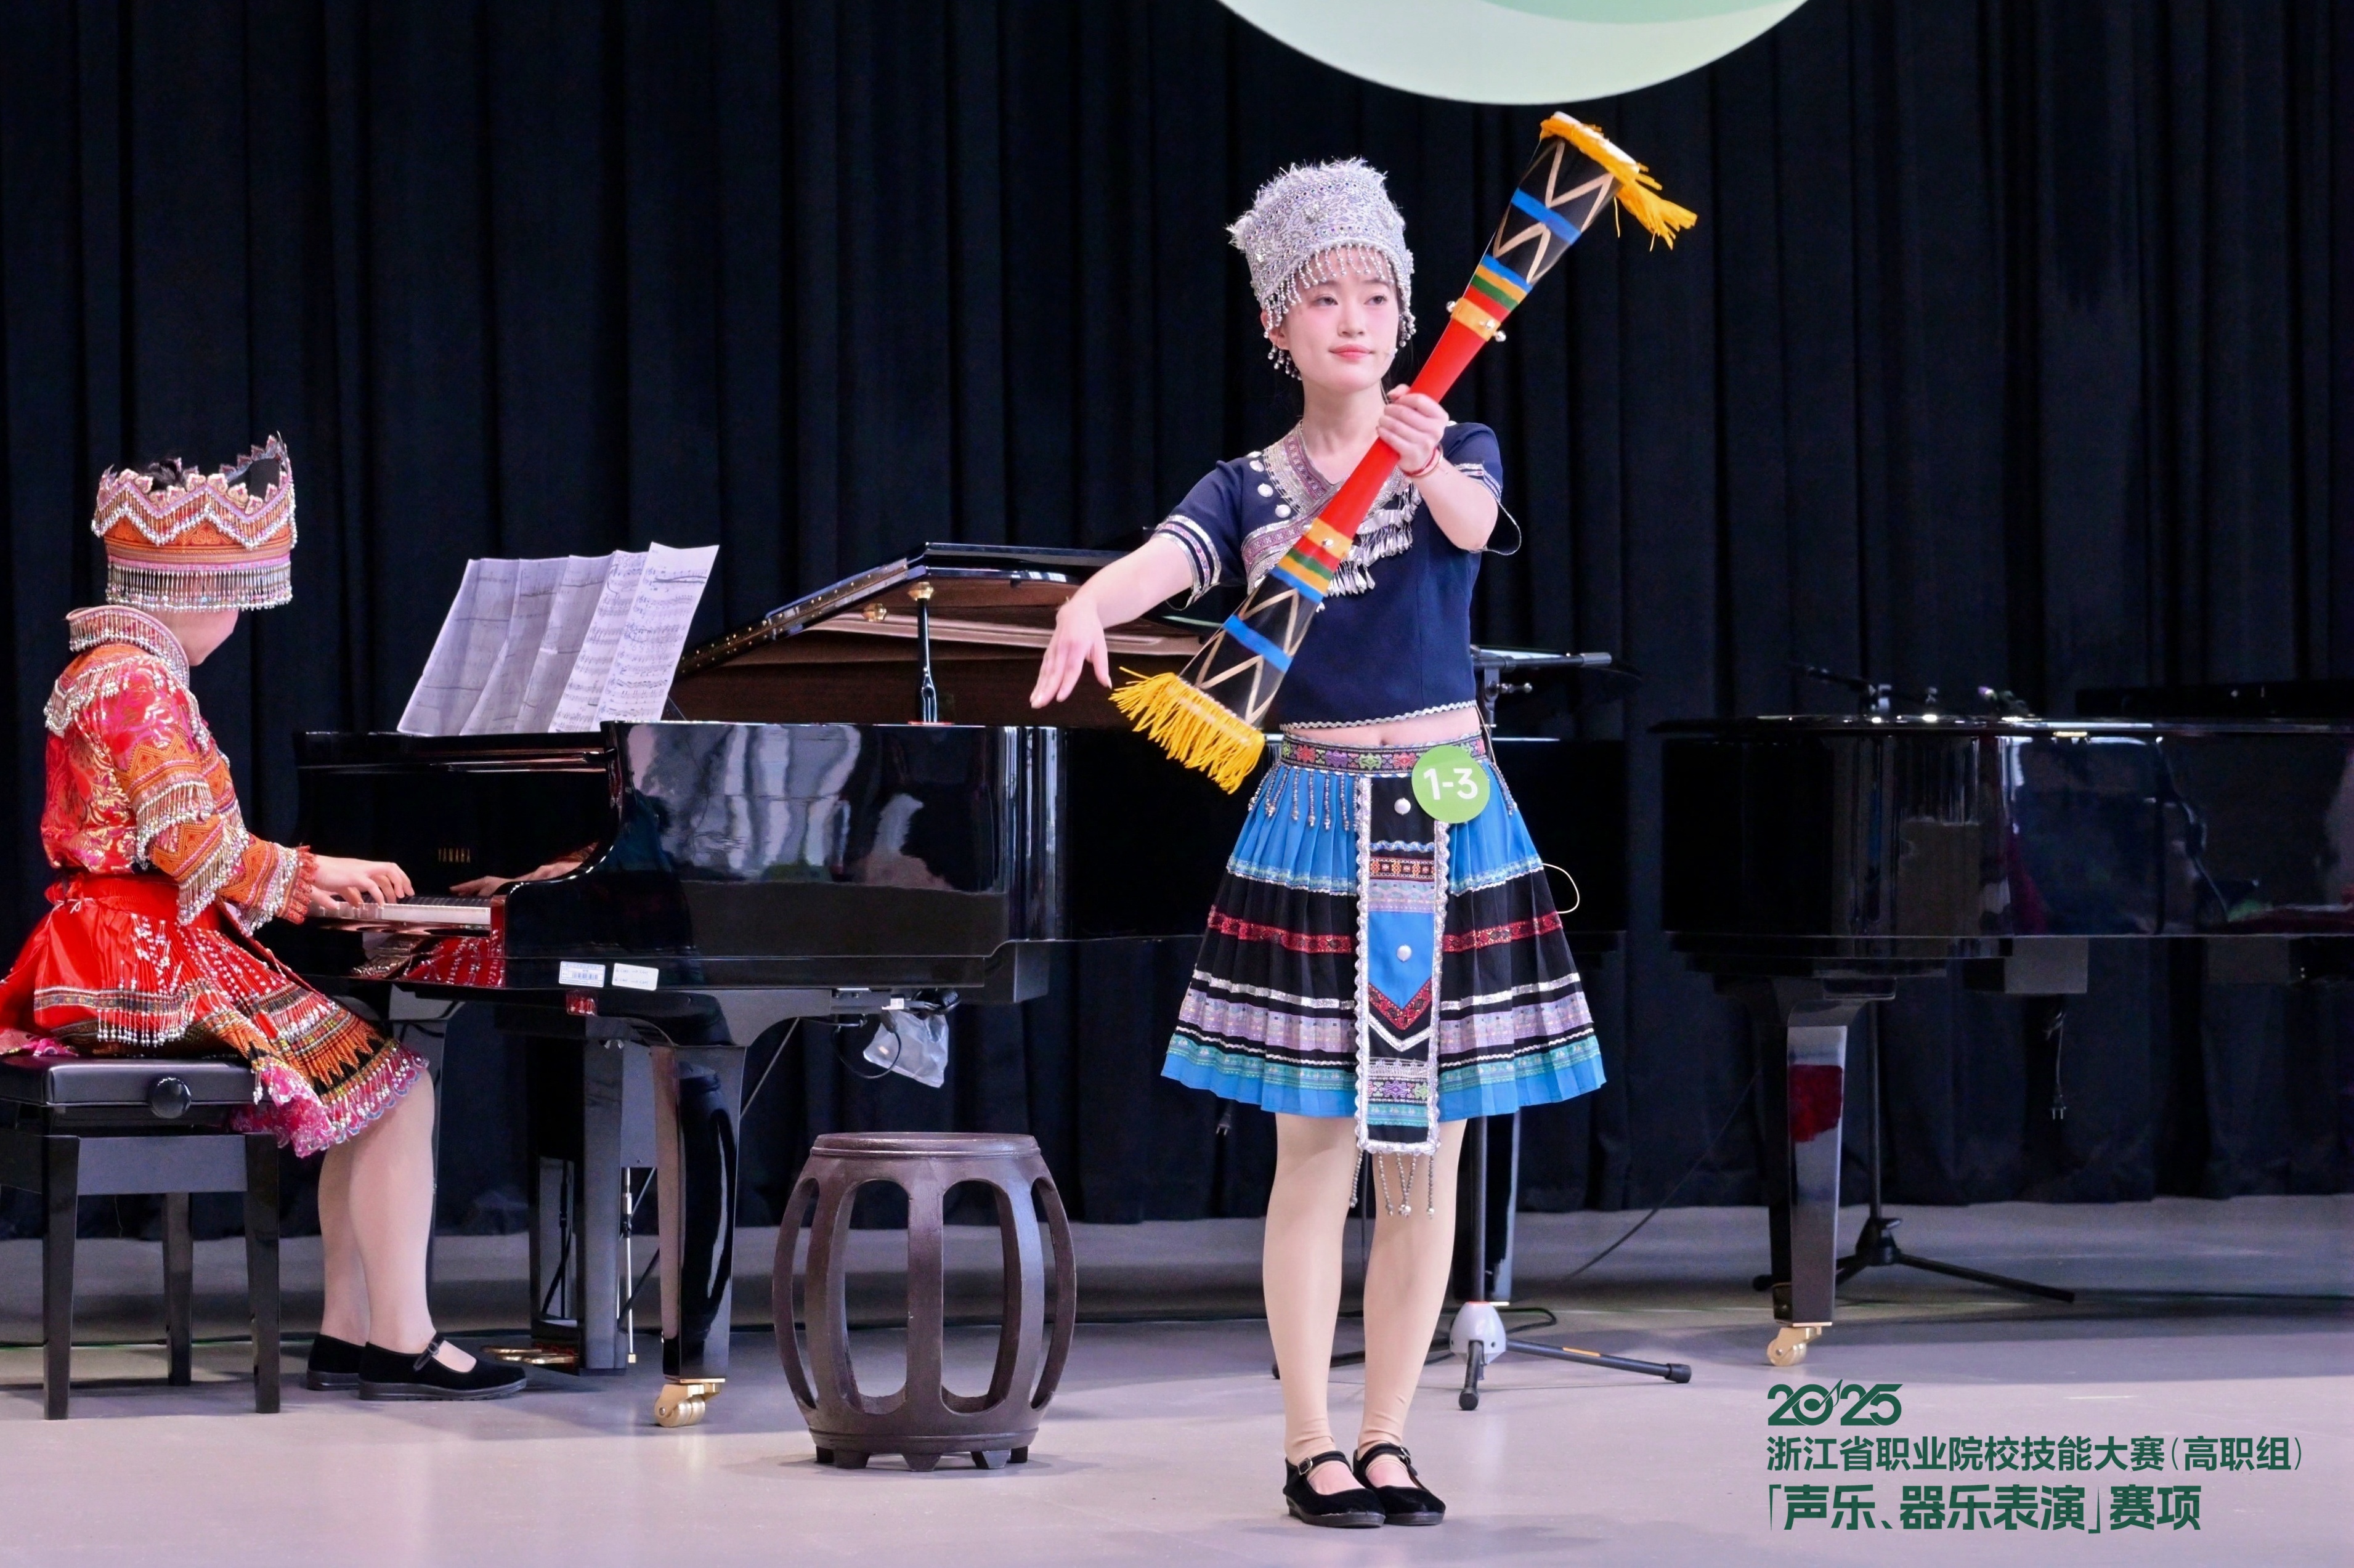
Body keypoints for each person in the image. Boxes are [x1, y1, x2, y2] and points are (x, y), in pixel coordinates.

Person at [1031, 161, 1605, 1527]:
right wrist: (1085, 605)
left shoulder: (1457, 443)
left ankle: (1390, 1433)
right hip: (1310, 823)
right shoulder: (1246, 488)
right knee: (1316, 1152)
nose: (1353, 318)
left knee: (1426, 1159)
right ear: (1276, 326)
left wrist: (1424, 455)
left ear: (1406, 317)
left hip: (1450, 815)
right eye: (1323, 298)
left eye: (1374, 297)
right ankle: (1309, 1442)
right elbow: (1164, 561)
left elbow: (1474, 528)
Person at [0, 438, 525, 1401]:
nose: (239, 617)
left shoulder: (113, 669)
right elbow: (191, 845)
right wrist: (318, 875)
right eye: (236, 595)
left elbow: (186, 847)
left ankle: (349, 1335)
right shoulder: (135, 679)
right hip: (142, 956)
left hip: (119, 941)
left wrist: (308, 886)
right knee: (396, 1087)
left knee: (365, 1079)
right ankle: (400, 1340)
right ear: (197, 586)